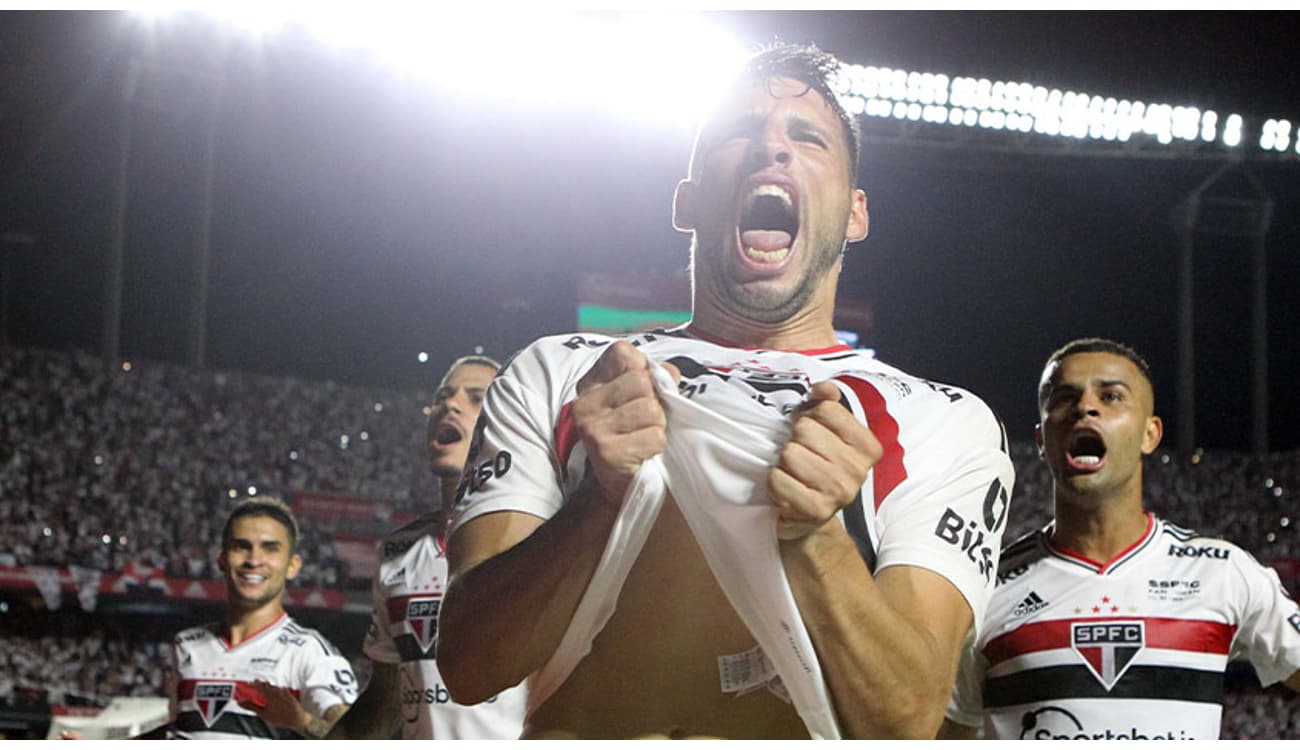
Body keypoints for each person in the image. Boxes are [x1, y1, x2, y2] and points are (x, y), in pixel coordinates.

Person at [436, 43, 1014, 739]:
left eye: (807, 138)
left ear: (856, 213)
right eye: (739, 133)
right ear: (687, 201)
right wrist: (598, 500)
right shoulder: (559, 372)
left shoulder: (941, 421)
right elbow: (469, 666)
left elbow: (904, 722)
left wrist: (815, 540)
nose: (771, 150)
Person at [939, 338, 1300, 740]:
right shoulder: (982, 590)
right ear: (1042, 441)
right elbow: (946, 734)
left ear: (1150, 434)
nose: (1085, 407)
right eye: (1064, 398)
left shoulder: (1223, 572)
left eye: (1111, 396)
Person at [326, 355, 527, 739]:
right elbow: (385, 697)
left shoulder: (543, 537)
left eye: (474, 397)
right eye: (443, 397)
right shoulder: (397, 551)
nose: (450, 405)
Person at [166, 497, 358, 739]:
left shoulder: (310, 653)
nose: (254, 560)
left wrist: (302, 721)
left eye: (270, 548)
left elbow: (355, 738)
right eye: (241, 546)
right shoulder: (187, 645)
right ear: (222, 560)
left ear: (293, 566)